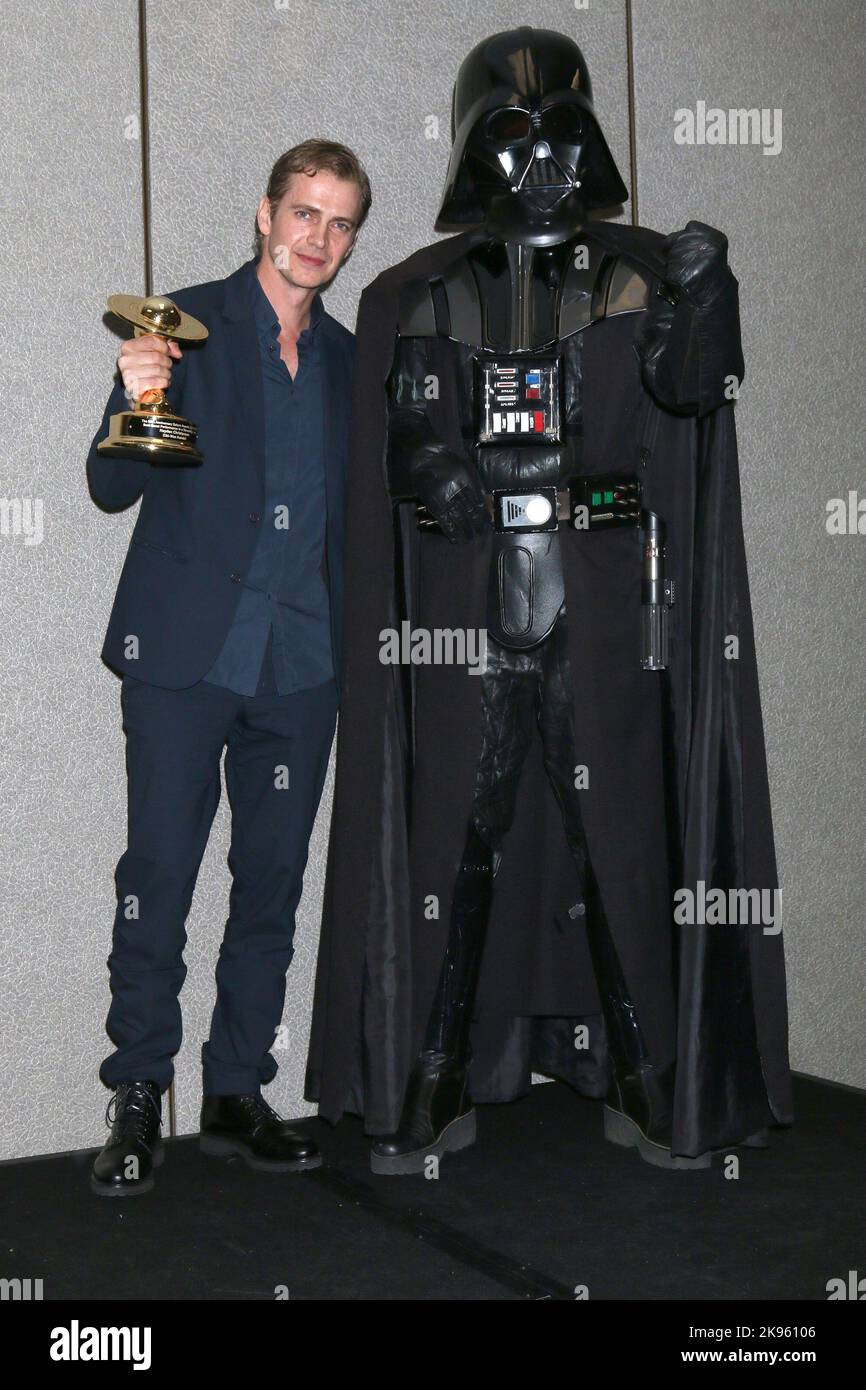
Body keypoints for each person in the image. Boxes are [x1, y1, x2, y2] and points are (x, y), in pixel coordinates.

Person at [305, 29, 792, 1174]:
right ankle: (426, 1082)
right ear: (476, 153)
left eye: (563, 140)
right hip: (465, 614)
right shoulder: (416, 293)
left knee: (615, 844)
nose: (541, 170)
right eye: (514, 144)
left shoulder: (639, 274)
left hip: (606, 611)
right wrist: (429, 464)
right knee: (456, 849)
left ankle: (646, 1078)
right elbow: (407, 435)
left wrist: (705, 292)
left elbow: (688, 390)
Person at [86, 139, 370, 1196]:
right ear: (263, 214)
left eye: (339, 223)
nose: (318, 239)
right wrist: (132, 394)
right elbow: (109, 489)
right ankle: (135, 1095)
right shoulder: (181, 327)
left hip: (301, 666)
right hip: (183, 659)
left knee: (273, 883)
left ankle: (237, 1089)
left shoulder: (349, 363)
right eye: (304, 213)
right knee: (157, 877)